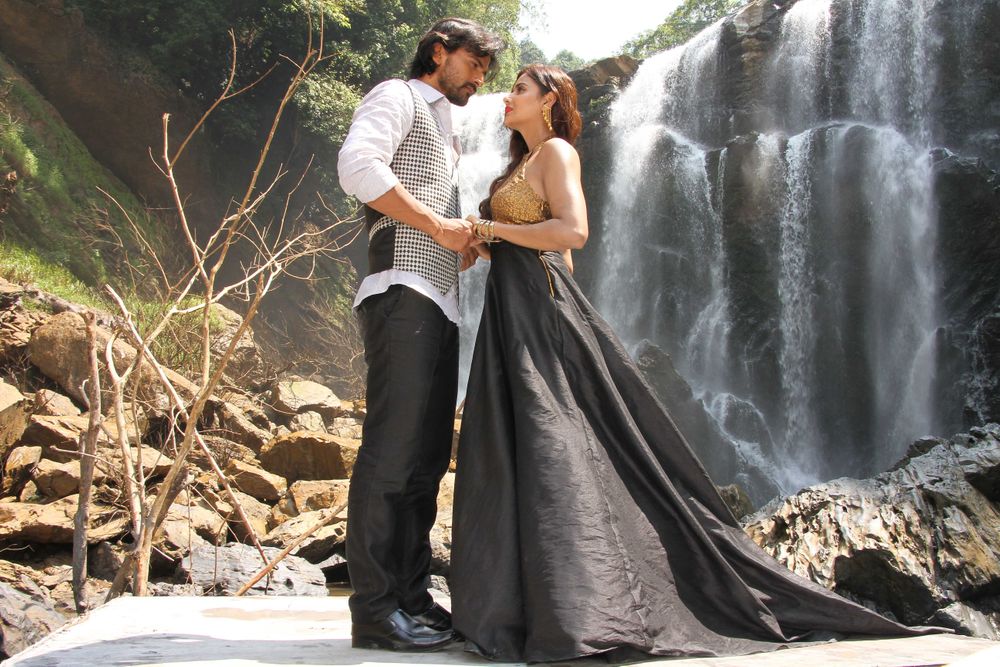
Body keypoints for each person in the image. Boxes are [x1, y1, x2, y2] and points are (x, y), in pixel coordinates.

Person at [449, 64, 938, 662]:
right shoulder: (517, 165)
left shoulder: (556, 152)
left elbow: (572, 235)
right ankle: (523, 607)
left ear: (550, 99)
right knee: (516, 442)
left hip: (536, 307)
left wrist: (491, 229)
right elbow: (533, 243)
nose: (507, 96)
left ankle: (583, 607)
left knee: (554, 441)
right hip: (511, 307)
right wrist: (482, 243)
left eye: (520, 89)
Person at [336, 17, 503, 652]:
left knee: (427, 458)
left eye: (486, 70)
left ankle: (411, 597)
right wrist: (437, 227)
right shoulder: (397, 95)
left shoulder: (448, 130)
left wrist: (459, 242)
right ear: (439, 52)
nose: (479, 78)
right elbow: (357, 167)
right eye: (474, 63)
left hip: (439, 304)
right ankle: (375, 611)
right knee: (393, 452)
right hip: (402, 293)